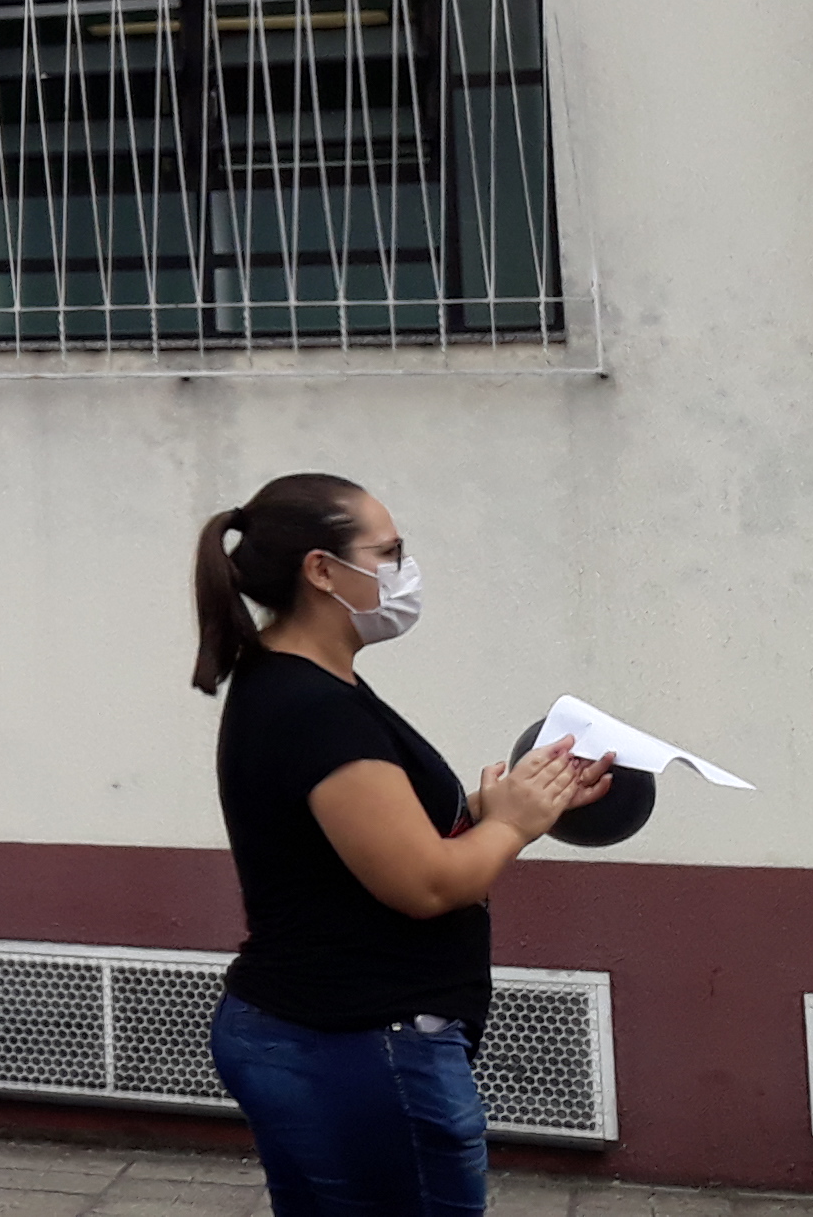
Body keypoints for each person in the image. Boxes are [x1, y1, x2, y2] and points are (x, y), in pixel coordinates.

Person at [191, 472, 609, 1217]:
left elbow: (362, 829)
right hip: (353, 1045)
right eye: (389, 553)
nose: (404, 572)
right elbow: (424, 884)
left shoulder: (307, 687)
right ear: (321, 570)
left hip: (331, 1037)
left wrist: (507, 800)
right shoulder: (311, 707)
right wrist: (513, 825)